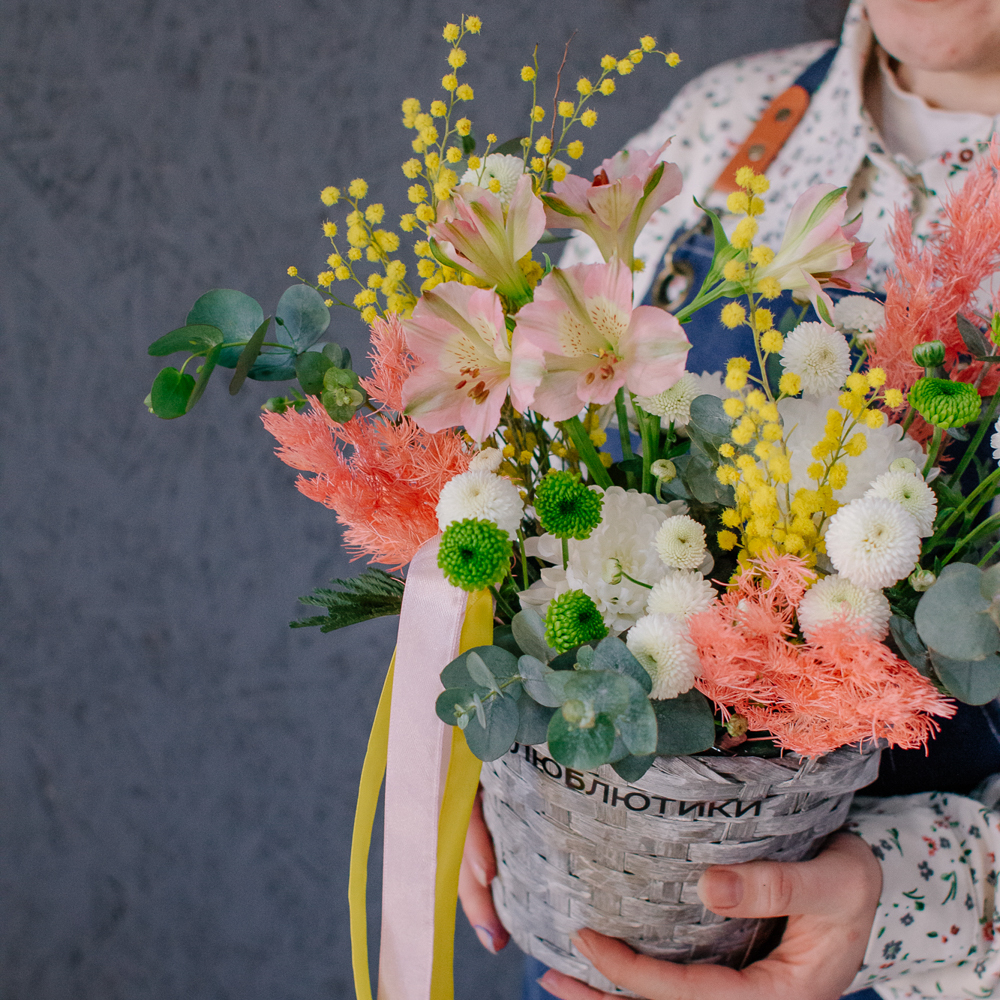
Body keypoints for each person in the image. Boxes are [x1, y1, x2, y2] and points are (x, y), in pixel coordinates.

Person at [459, 1, 1000, 998]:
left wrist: (908, 889)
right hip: (598, 926)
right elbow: (506, 474)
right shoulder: (730, 122)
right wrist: (482, 756)